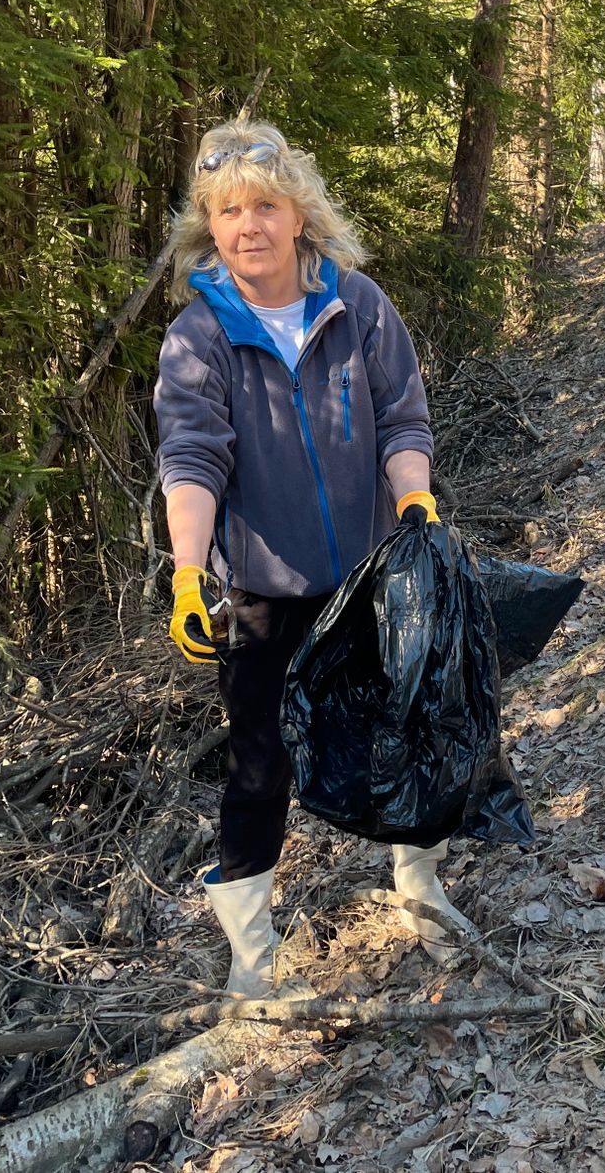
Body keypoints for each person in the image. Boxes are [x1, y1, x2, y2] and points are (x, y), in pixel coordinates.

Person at [153, 116, 470, 998]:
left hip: (374, 575)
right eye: (226, 212)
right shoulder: (199, 336)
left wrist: (415, 500)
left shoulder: (358, 306)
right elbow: (192, 461)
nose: (246, 225)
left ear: (300, 214)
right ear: (207, 228)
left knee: (407, 730)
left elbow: (403, 420)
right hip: (264, 594)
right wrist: (187, 572)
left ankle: (422, 891)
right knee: (259, 769)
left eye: (264, 205)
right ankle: (252, 961)